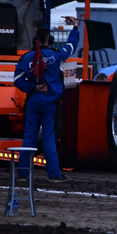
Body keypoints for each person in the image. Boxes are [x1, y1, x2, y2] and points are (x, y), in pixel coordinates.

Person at [13, 17, 80, 182]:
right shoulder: (57, 55)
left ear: (35, 40)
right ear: (50, 40)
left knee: (29, 137)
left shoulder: (26, 58)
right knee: (49, 136)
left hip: (33, 103)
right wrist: (75, 28)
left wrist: (33, 87)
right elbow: (71, 46)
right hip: (51, 104)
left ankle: (22, 174)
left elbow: (17, 81)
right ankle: (54, 174)